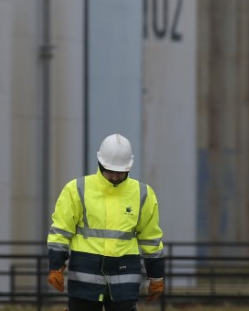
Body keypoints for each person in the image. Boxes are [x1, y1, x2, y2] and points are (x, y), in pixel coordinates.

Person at [47, 133, 165, 310]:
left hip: (124, 281)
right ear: (100, 163)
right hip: (84, 281)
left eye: (120, 172)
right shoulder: (77, 190)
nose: (115, 177)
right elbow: (60, 232)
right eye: (110, 171)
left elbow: (151, 238)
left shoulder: (143, 194)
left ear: (128, 168)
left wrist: (156, 276)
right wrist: (56, 266)